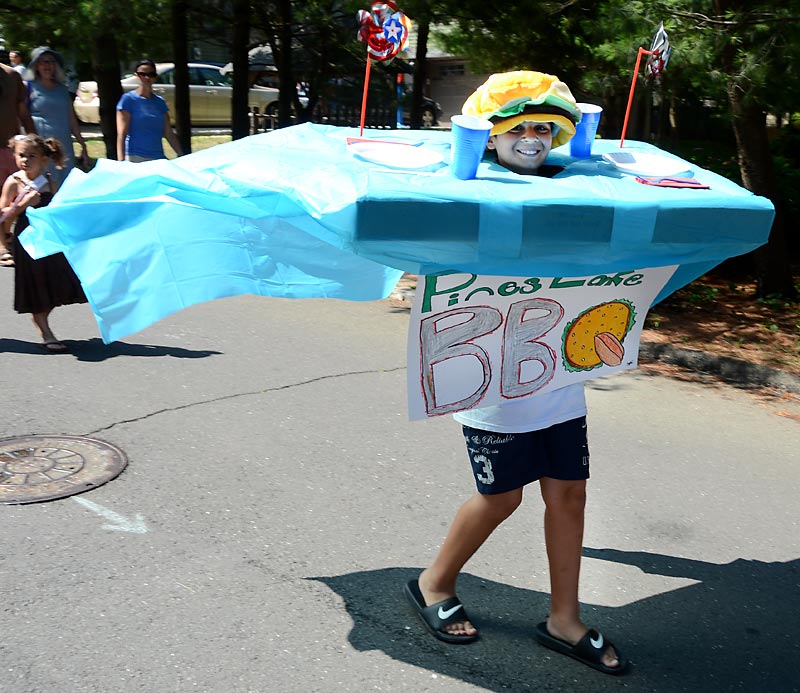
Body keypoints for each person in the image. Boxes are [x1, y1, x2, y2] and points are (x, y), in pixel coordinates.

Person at [403, 71, 629, 676]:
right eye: (517, 127)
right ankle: (433, 582)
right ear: (492, 135)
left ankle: (564, 618)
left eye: (542, 128)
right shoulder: (470, 191)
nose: (530, 138)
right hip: (491, 374)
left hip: (557, 372)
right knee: (501, 496)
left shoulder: (579, 188)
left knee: (569, 495)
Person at [0, 134, 87, 351]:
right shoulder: (14, 182)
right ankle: (44, 329)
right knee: (37, 283)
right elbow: (3, 215)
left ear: (44, 159)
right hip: (26, 241)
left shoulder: (49, 181)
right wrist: (21, 206)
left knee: (58, 282)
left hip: (49, 239)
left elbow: (56, 211)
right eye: (21, 155)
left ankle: (42, 317)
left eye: (32, 156)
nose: (25, 160)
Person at [24, 46, 88, 186]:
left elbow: (71, 119)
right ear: (36, 66)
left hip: (63, 147)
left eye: (51, 61)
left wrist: (82, 144)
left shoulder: (62, 89)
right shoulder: (28, 87)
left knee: (66, 184)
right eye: (43, 61)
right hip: (40, 148)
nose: (48, 65)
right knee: (44, 186)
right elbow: (22, 117)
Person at [0, 57, 37, 267]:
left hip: (12, 148)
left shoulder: (11, 76)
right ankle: (3, 246)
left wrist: (37, 144)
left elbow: (23, 112)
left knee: (14, 198)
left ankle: (7, 237)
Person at [116, 59, 182, 162]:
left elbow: (168, 133)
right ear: (137, 76)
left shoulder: (160, 102)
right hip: (135, 157)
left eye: (151, 74)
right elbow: (121, 134)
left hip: (158, 157)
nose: (147, 78)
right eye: (143, 74)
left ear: (155, 77)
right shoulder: (128, 100)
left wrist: (181, 154)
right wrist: (121, 162)